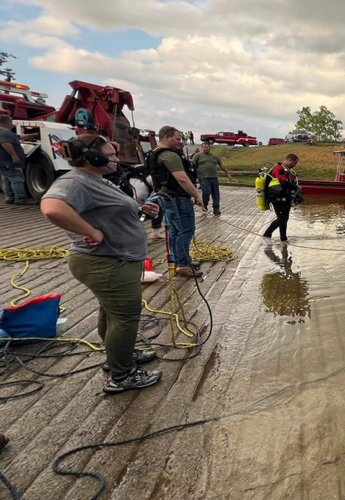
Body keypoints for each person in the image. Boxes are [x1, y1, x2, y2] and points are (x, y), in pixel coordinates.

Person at [40, 134, 162, 394]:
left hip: (115, 260)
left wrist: (141, 210)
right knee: (125, 319)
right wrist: (91, 232)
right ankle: (122, 375)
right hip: (107, 262)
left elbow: (106, 211)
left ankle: (120, 356)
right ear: (93, 158)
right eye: (111, 154)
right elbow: (52, 208)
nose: (116, 158)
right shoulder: (75, 181)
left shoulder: (97, 180)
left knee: (111, 314)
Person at [147, 125, 204, 277]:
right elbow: (182, 179)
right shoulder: (170, 155)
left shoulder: (154, 154)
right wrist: (197, 195)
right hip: (178, 198)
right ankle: (183, 265)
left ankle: (180, 260)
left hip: (167, 197)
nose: (180, 142)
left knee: (175, 230)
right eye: (177, 139)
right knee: (186, 230)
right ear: (166, 137)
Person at [0, 115, 38, 205]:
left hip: (3, 162)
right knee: (16, 179)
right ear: (8, 122)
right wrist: (14, 156)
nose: (12, 124)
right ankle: (20, 198)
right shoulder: (4, 132)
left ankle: (9, 197)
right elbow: (5, 143)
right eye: (11, 122)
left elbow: (19, 137)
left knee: (6, 179)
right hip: (9, 161)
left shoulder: (4, 132)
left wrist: (33, 134)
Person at [262, 153, 300, 244]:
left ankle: (283, 238)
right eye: (294, 163)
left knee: (285, 218)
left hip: (284, 197)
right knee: (281, 218)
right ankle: (267, 235)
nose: (295, 165)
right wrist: (296, 187)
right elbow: (282, 182)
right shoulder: (279, 168)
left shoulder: (288, 170)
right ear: (289, 160)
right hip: (276, 197)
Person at [192, 142, 232, 215]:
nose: (205, 149)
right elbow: (192, 164)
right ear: (202, 148)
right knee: (206, 192)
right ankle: (205, 204)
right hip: (203, 177)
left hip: (214, 177)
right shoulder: (198, 155)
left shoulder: (215, 156)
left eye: (207, 147)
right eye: (204, 147)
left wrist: (227, 173)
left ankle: (216, 209)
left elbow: (221, 165)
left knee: (216, 194)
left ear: (209, 147)